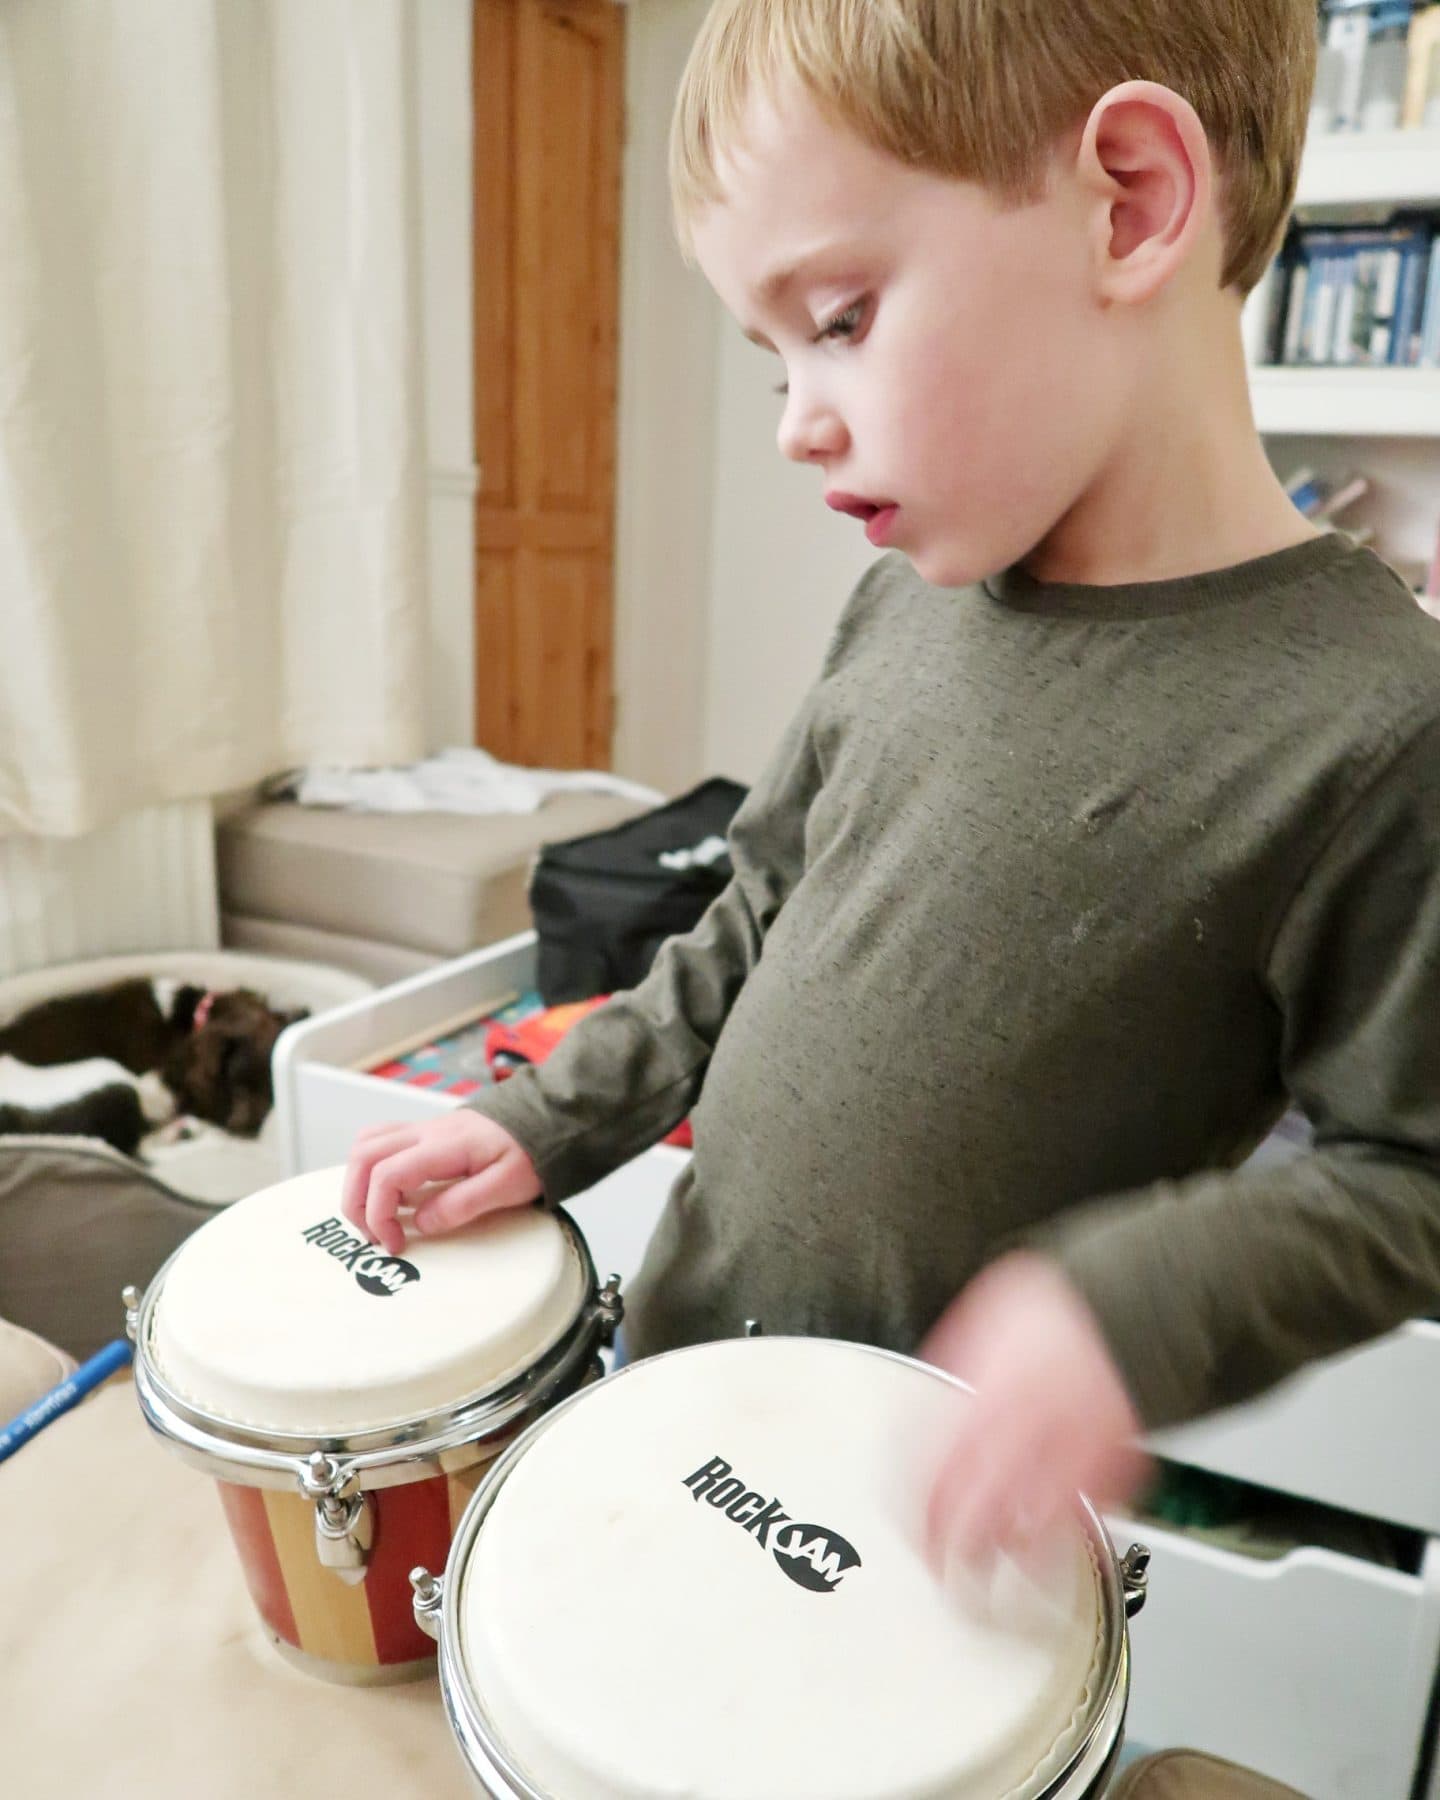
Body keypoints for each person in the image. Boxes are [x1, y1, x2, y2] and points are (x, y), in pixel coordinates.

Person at [344, 0, 1440, 1568]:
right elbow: (761, 907)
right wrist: (547, 1121)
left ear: (1128, 201)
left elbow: (1414, 1171)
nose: (795, 422)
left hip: (910, 1550)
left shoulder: (1379, 724)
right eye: (772, 349)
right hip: (686, 1391)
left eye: (840, 317)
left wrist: (1131, 1305)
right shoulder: (911, 594)